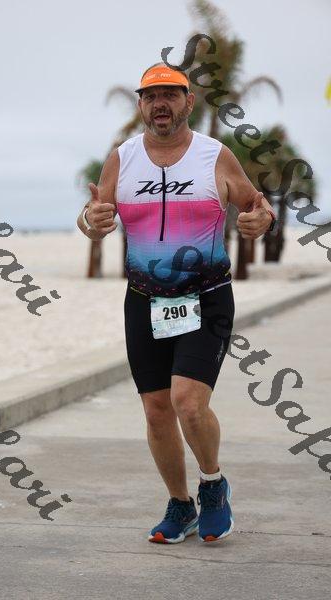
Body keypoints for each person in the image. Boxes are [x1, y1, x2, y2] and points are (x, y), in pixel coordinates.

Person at [77, 63, 276, 544]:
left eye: (170, 95)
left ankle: (213, 484)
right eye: (151, 96)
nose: (159, 104)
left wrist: (261, 220)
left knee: (187, 401)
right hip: (143, 300)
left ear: (188, 102)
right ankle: (180, 505)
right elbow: (92, 217)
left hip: (206, 298)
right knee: (156, 410)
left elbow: (256, 204)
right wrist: (91, 220)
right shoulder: (122, 158)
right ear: (141, 105)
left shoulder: (215, 156)